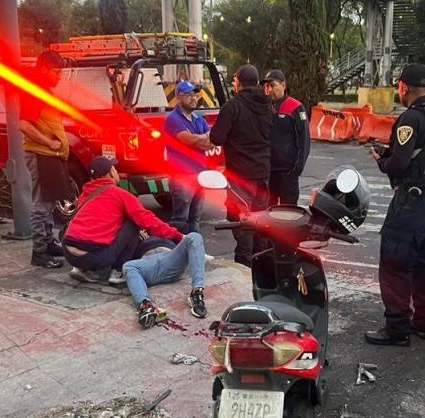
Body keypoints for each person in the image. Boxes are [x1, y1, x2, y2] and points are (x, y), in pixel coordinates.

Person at [364, 63, 425, 347]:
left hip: (411, 200)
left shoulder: (411, 118)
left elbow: (400, 162)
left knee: (394, 262)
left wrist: (382, 160)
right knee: (422, 262)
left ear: (404, 87)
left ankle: (397, 327)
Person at [63, 157, 183, 284]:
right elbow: (148, 220)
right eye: (114, 168)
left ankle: (80, 268)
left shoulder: (85, 194)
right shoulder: (120, 194)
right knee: (133, 224)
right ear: (111, 173)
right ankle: (118, 272)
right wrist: (178, 236)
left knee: (81, 227)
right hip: (93, 257)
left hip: (68, 253)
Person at [209, 64, 275, 265]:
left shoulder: (233, 106)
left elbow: (216, 138)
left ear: (238, 82)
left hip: (240, 174)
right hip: (263, 171)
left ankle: (244, 262)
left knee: (242, 219)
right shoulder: (268, 106)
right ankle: (262, 259)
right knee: (260, 217)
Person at [19, 50, 69, 269]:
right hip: (40, 154)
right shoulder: (34, 92)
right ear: (43, 69)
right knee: (41, 204)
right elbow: (23, 124)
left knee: (48, 201)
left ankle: (48, 242)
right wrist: (48, 143)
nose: (59, 77)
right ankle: (39, 251)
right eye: (56, 72)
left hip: (49, 155)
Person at [122, 233, 208, 329]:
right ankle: (145, 306)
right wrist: (135, 236)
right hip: (147, 263)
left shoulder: (166, 229)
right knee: (128, 266)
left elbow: (185, 226)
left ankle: (197, 293)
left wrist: (166, 231)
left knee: (194, 237)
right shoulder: (134, 233)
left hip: (169, 259)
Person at [163, 81, 215, 234]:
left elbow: (212, 141)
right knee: (180, 219)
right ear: (179, 96)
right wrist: (202, 139)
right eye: (189, 95)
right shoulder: (173, 119)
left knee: (195, 218)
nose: (194, 98)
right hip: (182, 175)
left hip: (200, 174)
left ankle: (194, 249)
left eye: (195, 94)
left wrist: (200, 140)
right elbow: (192, 141)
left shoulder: (199, 118)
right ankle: (178, 251)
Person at [264, 69, 310, 206]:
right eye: (267, 86)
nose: (270, 90)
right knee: (268, 212)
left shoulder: (296, 108)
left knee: (288, 212)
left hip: (288, 172)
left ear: (283, 85)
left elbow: (304, 140)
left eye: (273, 85)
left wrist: (297, 168)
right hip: (269, 171)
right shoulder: (264, 107)